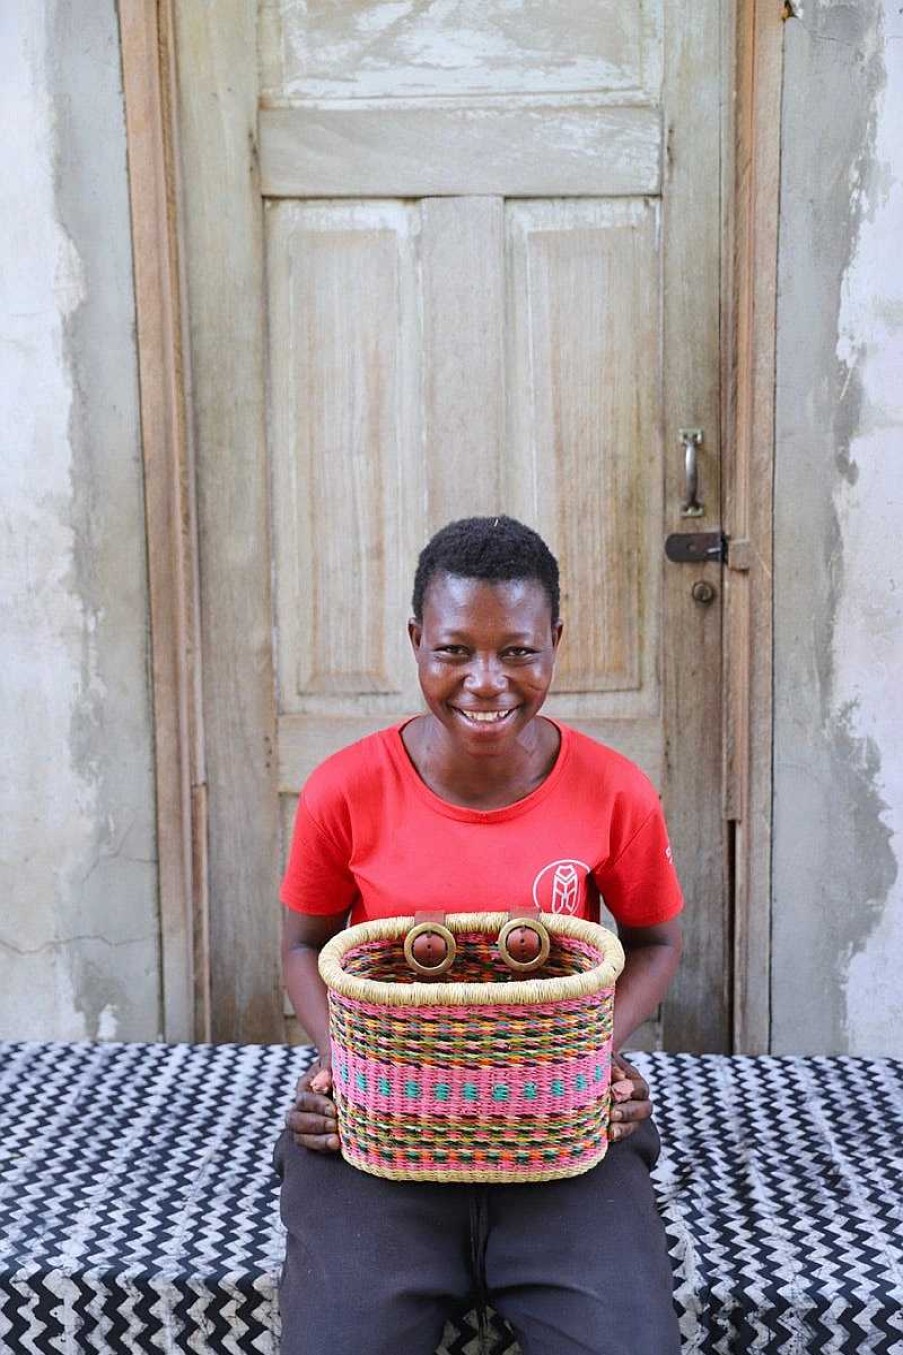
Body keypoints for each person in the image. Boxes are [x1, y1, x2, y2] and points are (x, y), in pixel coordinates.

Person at [274, 516, 683, 1355]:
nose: (487, 681)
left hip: (561, 1135)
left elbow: (653, 939)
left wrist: (592, 1050)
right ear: (416, 640)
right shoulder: (342, 790)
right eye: (454, 649)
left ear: (556, 643)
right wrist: (344, 1067)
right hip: (383, 1137)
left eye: (519, 651)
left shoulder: (616, 791)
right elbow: (301, 944)